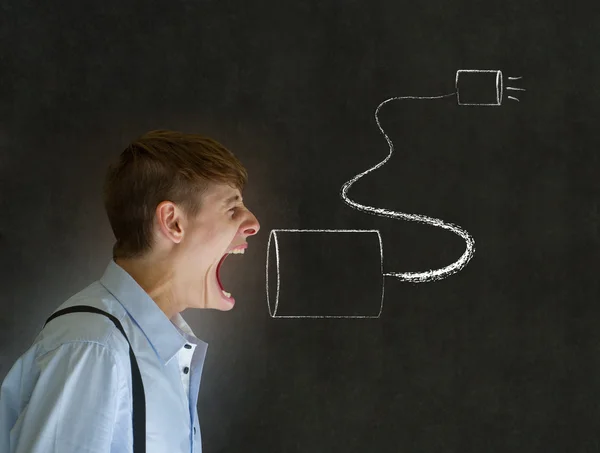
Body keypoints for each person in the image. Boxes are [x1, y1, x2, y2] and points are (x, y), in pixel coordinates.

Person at [0, 129, 260, 453]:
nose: (253, 223)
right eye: (232, 209)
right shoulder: (95, 347)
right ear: (173, 222)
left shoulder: (153, 348)